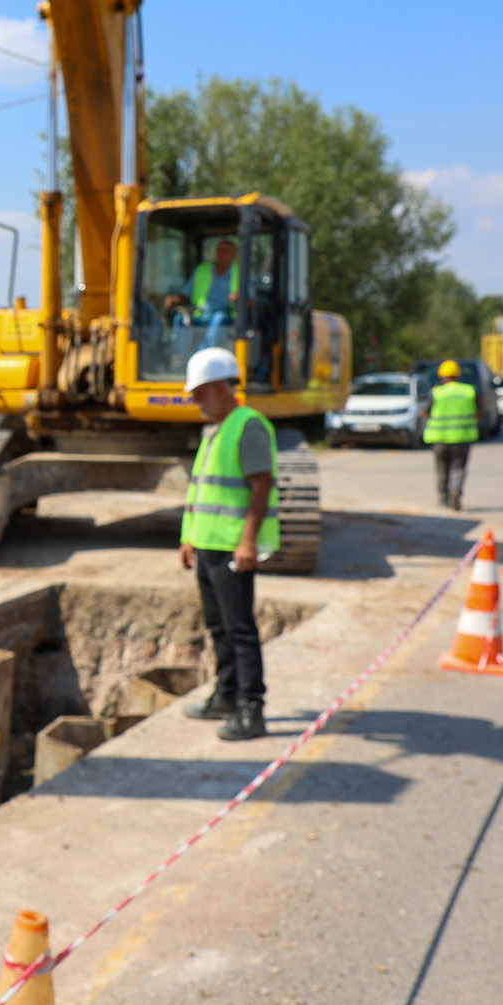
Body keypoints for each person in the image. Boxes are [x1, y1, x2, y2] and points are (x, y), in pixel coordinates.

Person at [176, 346, 276, 742]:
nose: (195, 401)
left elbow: (261, 486)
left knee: (240, 629)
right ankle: (226, 694)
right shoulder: (214, 431)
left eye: (199, 393)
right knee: (219, 626)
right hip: (208, 546)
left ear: (219, 388)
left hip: (232, 548)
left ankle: (252, 709)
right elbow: (200, 492)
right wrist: (188, 537)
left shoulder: (247, 425)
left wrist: (248, 541)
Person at [424, 357, 479, 511]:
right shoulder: (468, 391)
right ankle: (456, 490)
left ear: (441, 376)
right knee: (459, 467)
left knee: (442, 468)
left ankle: (443, 496)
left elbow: (425, 412)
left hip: (440, 439)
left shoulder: (437, 393)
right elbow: (477, 413)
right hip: (462, 438)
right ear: (458, 375)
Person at [185, 238, 241, 350]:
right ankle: (179, 358)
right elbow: (185, 293)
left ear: (233, 255)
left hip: (227, 316)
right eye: (219, 250)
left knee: (218, 318)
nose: (221, 253)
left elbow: (251, 301)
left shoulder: (239, 272)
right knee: (180, 318)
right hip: (200, 315)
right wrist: (175, 299)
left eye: (225, 251)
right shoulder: (202, 270)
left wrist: (239, 298)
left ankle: (205, 353)